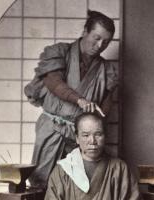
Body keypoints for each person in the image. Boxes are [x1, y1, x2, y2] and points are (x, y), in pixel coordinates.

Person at [25, 10, 118, 188]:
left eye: (105, 42)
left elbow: (107, 102)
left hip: (80, 134)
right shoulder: (60, 52)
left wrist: (97, 121)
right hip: (52, 126)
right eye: (96, 38)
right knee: (40, 181)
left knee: (77, 185)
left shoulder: (106, 69)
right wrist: (80, 100)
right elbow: (53, 82)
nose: (99, 45)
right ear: (85, 31)